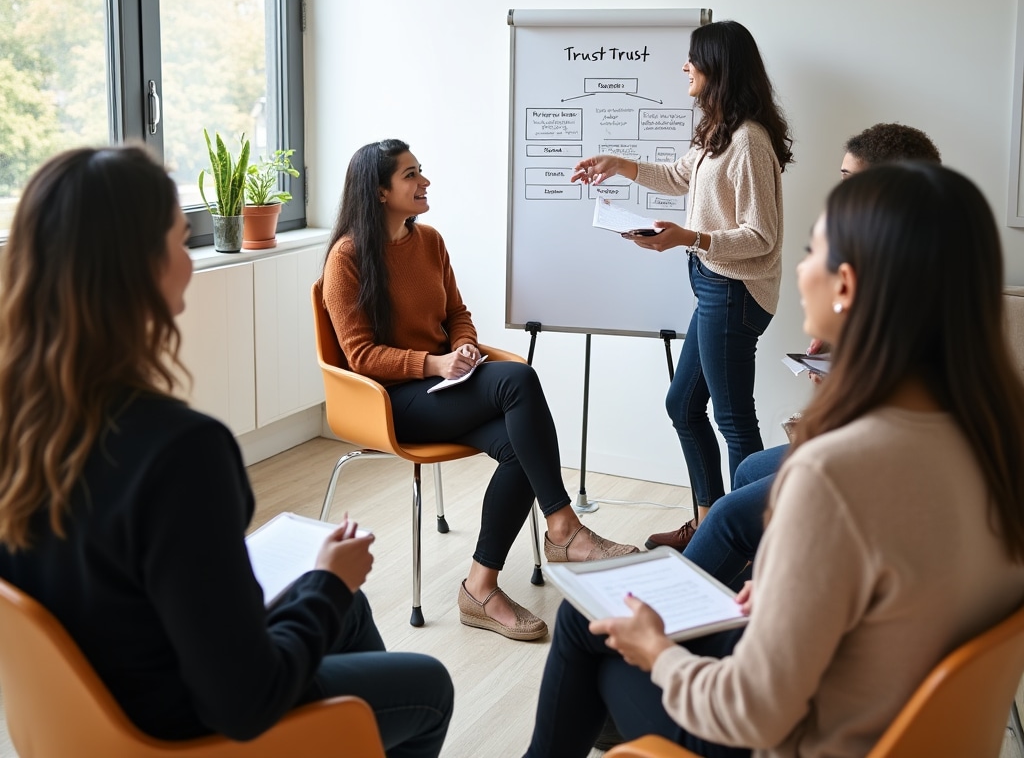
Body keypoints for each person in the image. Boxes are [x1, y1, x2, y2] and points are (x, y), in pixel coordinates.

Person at [524, 162, 1024, 758]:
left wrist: (657, 653)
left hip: (798, 738)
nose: (799, 268)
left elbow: (752, 715)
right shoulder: (995, 437)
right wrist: (803, 593)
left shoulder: (833, 473)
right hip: (906, 727)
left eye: (811, 251)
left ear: (845, 285)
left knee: (589, 619)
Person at [0, 146, 454, 758]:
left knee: (346, 609)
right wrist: (326, 580)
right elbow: (246, 700)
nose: (189, 258)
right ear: (141, 267)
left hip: (91, 710)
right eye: (178, 236)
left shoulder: (22, 422)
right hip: (180, 725)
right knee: (428, 685)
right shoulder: (182, 451)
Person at [320, 139, 638, 642]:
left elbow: (456, 315)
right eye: (410, 175)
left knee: (519, 450)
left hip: (447, 385)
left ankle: (479, 586)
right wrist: (434, 363)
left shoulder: (429, 242)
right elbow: (359, 356)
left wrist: (464, 350)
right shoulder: (348, 257)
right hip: (393, 401)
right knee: (518, 379)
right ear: (380, 192)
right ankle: (564, 529)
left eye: (421, 171)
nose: (424, 182)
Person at [680, 122, 942, 591]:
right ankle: (761, 574)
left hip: (880, 462)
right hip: (874, 441)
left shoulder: (915, 280)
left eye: (851, 180)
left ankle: (673, 614)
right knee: (747, 469)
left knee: (725, 515)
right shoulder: (888, 255)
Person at [573, 19, 793, 550]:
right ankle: (710, 519)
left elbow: (761, 237)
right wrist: (618, 164)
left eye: (693, 60)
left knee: (734, 420)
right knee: (683, 406)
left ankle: (755, 544)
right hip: (716, 288)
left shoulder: (748, 141)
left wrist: (688, 237)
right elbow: (677, 176)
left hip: (736, 292)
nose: (684, 68)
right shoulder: (720, 133)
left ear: (718, 68)